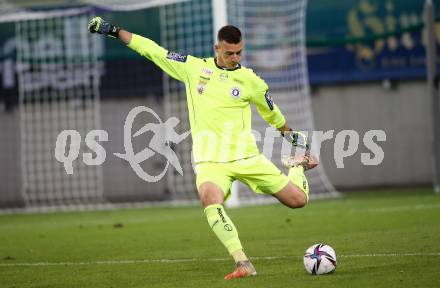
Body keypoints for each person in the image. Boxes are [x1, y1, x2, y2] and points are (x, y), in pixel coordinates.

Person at [88, 17, 318, 280]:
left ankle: (296, 167)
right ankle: (242, 262)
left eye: (239, 52)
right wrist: (114, 31)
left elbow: (271, 113)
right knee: (209, 198)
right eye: (229, 52)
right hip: (210, 160)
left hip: (247, 157)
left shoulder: (250, 80)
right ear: (216, 48)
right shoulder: (193, 68)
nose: (235, 57)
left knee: (298, 201)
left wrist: (291, 137)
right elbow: (152, 50)